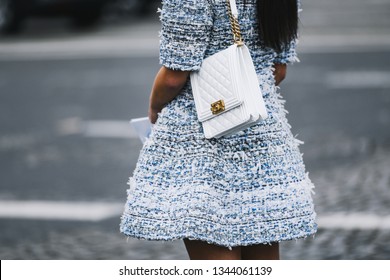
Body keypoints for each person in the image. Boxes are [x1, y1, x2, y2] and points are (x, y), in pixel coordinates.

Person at [120, 0, 317, 260]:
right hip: (261, 129)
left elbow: (174, 76)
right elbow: (278, 69)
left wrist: (155, 107)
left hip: (202, 134)